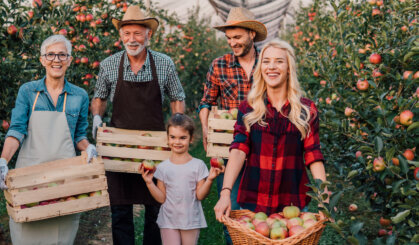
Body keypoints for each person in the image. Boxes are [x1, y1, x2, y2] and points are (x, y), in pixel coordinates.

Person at [91, 5, 186, 245]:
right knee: (120, 210)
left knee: (156, 208)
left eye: (137, 33)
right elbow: (100, 98)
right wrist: (97, 118)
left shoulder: (164, 64)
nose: (131, 39)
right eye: (126, 33)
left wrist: (176, 125)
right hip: (118, 148)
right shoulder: (109, 65)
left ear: (148, 35)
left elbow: (177, 97)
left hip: (153, 148)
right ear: (120, 35)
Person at [0, 34, 97, 245]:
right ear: (42, 59)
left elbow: (79, 135)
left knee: (61, 235)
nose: (56, 60)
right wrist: (4, 160)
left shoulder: (80, 96)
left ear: (69, 60)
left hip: (64, 179)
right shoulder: (28, 91)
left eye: (62, 55)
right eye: (50, 54)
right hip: (30, 178)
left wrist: (89, 148)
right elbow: (17, 130)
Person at [213, 39, 329, 222]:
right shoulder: (248, 108)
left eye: (279, 61)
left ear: (289, 67)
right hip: (253, 201)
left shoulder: (306, 110)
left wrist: (324, 196)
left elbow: (313, 154)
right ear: (260, 68)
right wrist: (226, 192)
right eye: (266, 61)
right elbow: (238, 150)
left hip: (292, 204)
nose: (272, 67)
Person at [197, 7, 267, 244]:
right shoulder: (219, 65)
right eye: (229, 38)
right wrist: (206, 129)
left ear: (251, 35)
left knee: (263, 213)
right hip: (229, 148)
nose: (232, 43)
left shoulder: (269, 63)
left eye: (237, 37)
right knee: (231, 209)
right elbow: (206, 102)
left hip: (264, 148)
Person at [139, 114, 222, 245]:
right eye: (173, 137)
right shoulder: (162, 167)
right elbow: (161, 198)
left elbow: (200, 195)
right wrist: (149, 183)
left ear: (191, 139)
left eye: (182, 138)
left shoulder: (198, 165)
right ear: (167, 138)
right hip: (168, 220)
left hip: (191, 220)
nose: (177, 142)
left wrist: (210, 180)